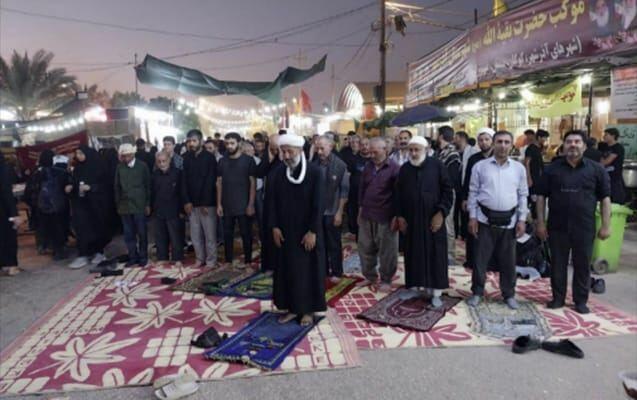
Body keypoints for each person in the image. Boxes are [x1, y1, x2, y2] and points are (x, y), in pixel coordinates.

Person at [536, 130, 611, 314]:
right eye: (569, 141)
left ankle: (580, 301)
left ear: (584, 146)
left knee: (582, 265)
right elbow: (541, 197)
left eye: (577, 142)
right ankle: (558, 298)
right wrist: (540, 223)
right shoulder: (552, 169)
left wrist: (606, 225)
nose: (573, 145)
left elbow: (605, 198)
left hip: (584, 226)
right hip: (557, 226)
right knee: (558, 264)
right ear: (564, 145)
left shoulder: (596, 170)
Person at [467, 131, 528, 309]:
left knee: (508, 261)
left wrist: (522, 219)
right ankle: (477, 292)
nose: (503, 145)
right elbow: (473, 192)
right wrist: (472, 217)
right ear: (494, 144)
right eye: (499, 141)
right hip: (484, 219)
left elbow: (523, 195)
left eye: (507, 142)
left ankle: (508, 294)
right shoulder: (480, 166)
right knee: (480, 259)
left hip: (510, 221)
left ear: (511, 145)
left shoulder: (518, 169)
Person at [269, 133, 326, 326]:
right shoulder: (278, 173)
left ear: (300, 150)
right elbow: (271, 202)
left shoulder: (315, 172)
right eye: (283, 151)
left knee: (307, 271)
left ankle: (308, 310)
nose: (286, 156)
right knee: (288, 270)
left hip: (307, 232)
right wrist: (274, 227)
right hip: (285, 231)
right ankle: (292, 308)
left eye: (289, 152)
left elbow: (319, 204)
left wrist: (313, 231)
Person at [397, 136, 453, 308]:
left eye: (417, 150)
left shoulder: (437, 166)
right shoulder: (405, 169)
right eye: (411, 150)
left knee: (435, 254)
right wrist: (400, 216)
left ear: (426, 150)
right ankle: (414, 287)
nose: (413, 153)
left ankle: (436, 293)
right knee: (413, 253)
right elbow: (398, 193)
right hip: (412, 220)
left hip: (433, 218)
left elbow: (447, 191)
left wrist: (441, 213)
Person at [357, 137, 400, 292]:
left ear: (385, 150)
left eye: (375, 152)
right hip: (367, 213)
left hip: (385, 216)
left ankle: (386, 279)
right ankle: (370, 276)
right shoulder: (368, 166)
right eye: (371, 152)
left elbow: (399, 194)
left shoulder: (395, 168)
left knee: (387, 250)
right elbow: (362, 189)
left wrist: (396, 216)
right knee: (365, 247)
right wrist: (360, 209)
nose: (372, 155)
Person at [66, 145, 110, 269]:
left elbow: (105, 185)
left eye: (81, 153)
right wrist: (71, 186)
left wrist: (91, 187)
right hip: (81, 203)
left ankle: (99, 252)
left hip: (96, 204)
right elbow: (75, 182)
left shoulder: (98, 166)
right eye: (77, 154)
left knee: (96, 227)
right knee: (82, 228)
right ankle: (83, 254)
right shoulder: (78, 168)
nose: (78, 156)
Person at [217, 132, 257, 267]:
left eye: (232, 143)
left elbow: (253, 183)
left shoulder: (248, 160)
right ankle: (228, 261)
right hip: (227, 204)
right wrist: (219, 204)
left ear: (239, 143)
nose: (229, 146)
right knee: (227, 234)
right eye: (227, 143)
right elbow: (219, 183)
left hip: (244, 204)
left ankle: (248, 261)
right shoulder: (222, 161)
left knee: (246, 234)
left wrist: (251, 204)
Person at [314, 135, 349, 281]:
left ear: (331, 146)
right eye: (317, 149)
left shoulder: (340, 165)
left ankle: (336, 271)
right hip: (318, 211)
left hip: (333, 210)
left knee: (333, 243)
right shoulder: (314, 164)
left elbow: (344, 191)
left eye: (322, 148)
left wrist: (339, 212)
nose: (319, 152)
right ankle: (322, 270)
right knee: (319, 243)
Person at [182, 129, 218, 268]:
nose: (191, 143)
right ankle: (199, 259)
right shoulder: (186, 158)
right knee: (195, 234)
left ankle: (211, 261)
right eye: (189, 141)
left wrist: (205, 202)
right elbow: (183, 181)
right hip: (192, 204)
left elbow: (210, 181)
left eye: (194, 141)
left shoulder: (209, 158)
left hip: (207, 204)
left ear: (201, 141)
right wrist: (186, 201)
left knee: (209, 234)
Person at [460, 127, 494, 269]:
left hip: (492, 200)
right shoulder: (474, 158)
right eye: (481, 140)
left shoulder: (497, 158)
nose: (484, 142)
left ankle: (491, 262)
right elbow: (467, 179)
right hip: (475, 199)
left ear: (492, 141)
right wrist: (464, 198)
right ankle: (473, 261)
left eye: (486, 139)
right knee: (473, 229)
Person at [114, 144, 151, 267]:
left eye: (128, 155)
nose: (126, 158)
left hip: (139, 205)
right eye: (124, 156)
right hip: (125, 206)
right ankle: (133, 257)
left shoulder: (142, 166)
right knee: (129, 234)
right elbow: (117, 187)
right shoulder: (120, 167)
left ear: (133, 154)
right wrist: (118, 204)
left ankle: (143, 257)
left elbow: (148, 186)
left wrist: (148, 203)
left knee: (142, 233)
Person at [36, 150, 70, 261]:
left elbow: (31, 191)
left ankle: (46, 245)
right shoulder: (61, 172)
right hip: (59, 205)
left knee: (47, 227)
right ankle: (61, 249)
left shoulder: (37, 173)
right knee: (60, 226)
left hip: (43, 207)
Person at [151, 151, 184, 267]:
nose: (162, 164)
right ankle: (163, 257)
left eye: (164, 161)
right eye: (159, 162)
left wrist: (182, 210)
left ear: (169, 161)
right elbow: (152, 192)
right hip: (159, 209)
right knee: (160, 236)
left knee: (175, 236)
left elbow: (182, 192)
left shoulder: (177, 173)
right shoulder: (154, 175)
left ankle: (177, 258)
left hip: (174, 209)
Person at [256, 134, 283, 271]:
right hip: (269, 201)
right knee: (268, 232)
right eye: (272, 148)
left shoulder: (287, 158)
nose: (275, 151)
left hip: (284, 202)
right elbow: (259, 173)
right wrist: (269, 157)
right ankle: (269, 264)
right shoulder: (269, 158)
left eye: (277, 148)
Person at [437, 125, 461, 264]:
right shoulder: (441, 152)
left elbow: (452, 178)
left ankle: (450, 255)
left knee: (448, 224)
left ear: (440, 136)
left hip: (447, 192)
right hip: (438, 191)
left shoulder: (452, 154)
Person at [341, 135, 368, 238]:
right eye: (362, 145)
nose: (364, 147)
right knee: (354, 214)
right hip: (354, 192)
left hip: (368, 195)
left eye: (366, 144)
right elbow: (348, 174)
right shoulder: (354, 159)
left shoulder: (373, 159)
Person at [0, 153, 22, 276]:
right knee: (9, 236)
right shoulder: (4, 169)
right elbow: (6, 193)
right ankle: (11, 265)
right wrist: (14, 214)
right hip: (5, 210)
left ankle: (4, 265)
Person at [454, 130, 478, 240]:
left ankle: (466, 235)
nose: (454, 140)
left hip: (466, 186)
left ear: (461, 138)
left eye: (456, 138)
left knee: (466, 212)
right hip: (456, 187)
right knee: (456, 212)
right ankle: (458, 234)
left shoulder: (473, 152)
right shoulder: (454, 152)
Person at [524, 129, 549, 219]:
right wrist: (528, 178)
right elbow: (526, 163)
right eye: (544, 138)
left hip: (538, 179)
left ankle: (535, 219)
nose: (545, 140)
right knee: (532, 200)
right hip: (533, 178)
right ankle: (531, 220)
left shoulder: (538, 148)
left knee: (537, 199)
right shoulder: (530, 148)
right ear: (539, 137)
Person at [601, 127, 626, 204]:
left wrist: (601, 161)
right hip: (604, 175)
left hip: (614, 177)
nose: (604, 136)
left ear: (613, 136)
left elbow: (606, 162)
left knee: (616, 199)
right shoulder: (602, 146)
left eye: (606, 135)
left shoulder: (618, 147)